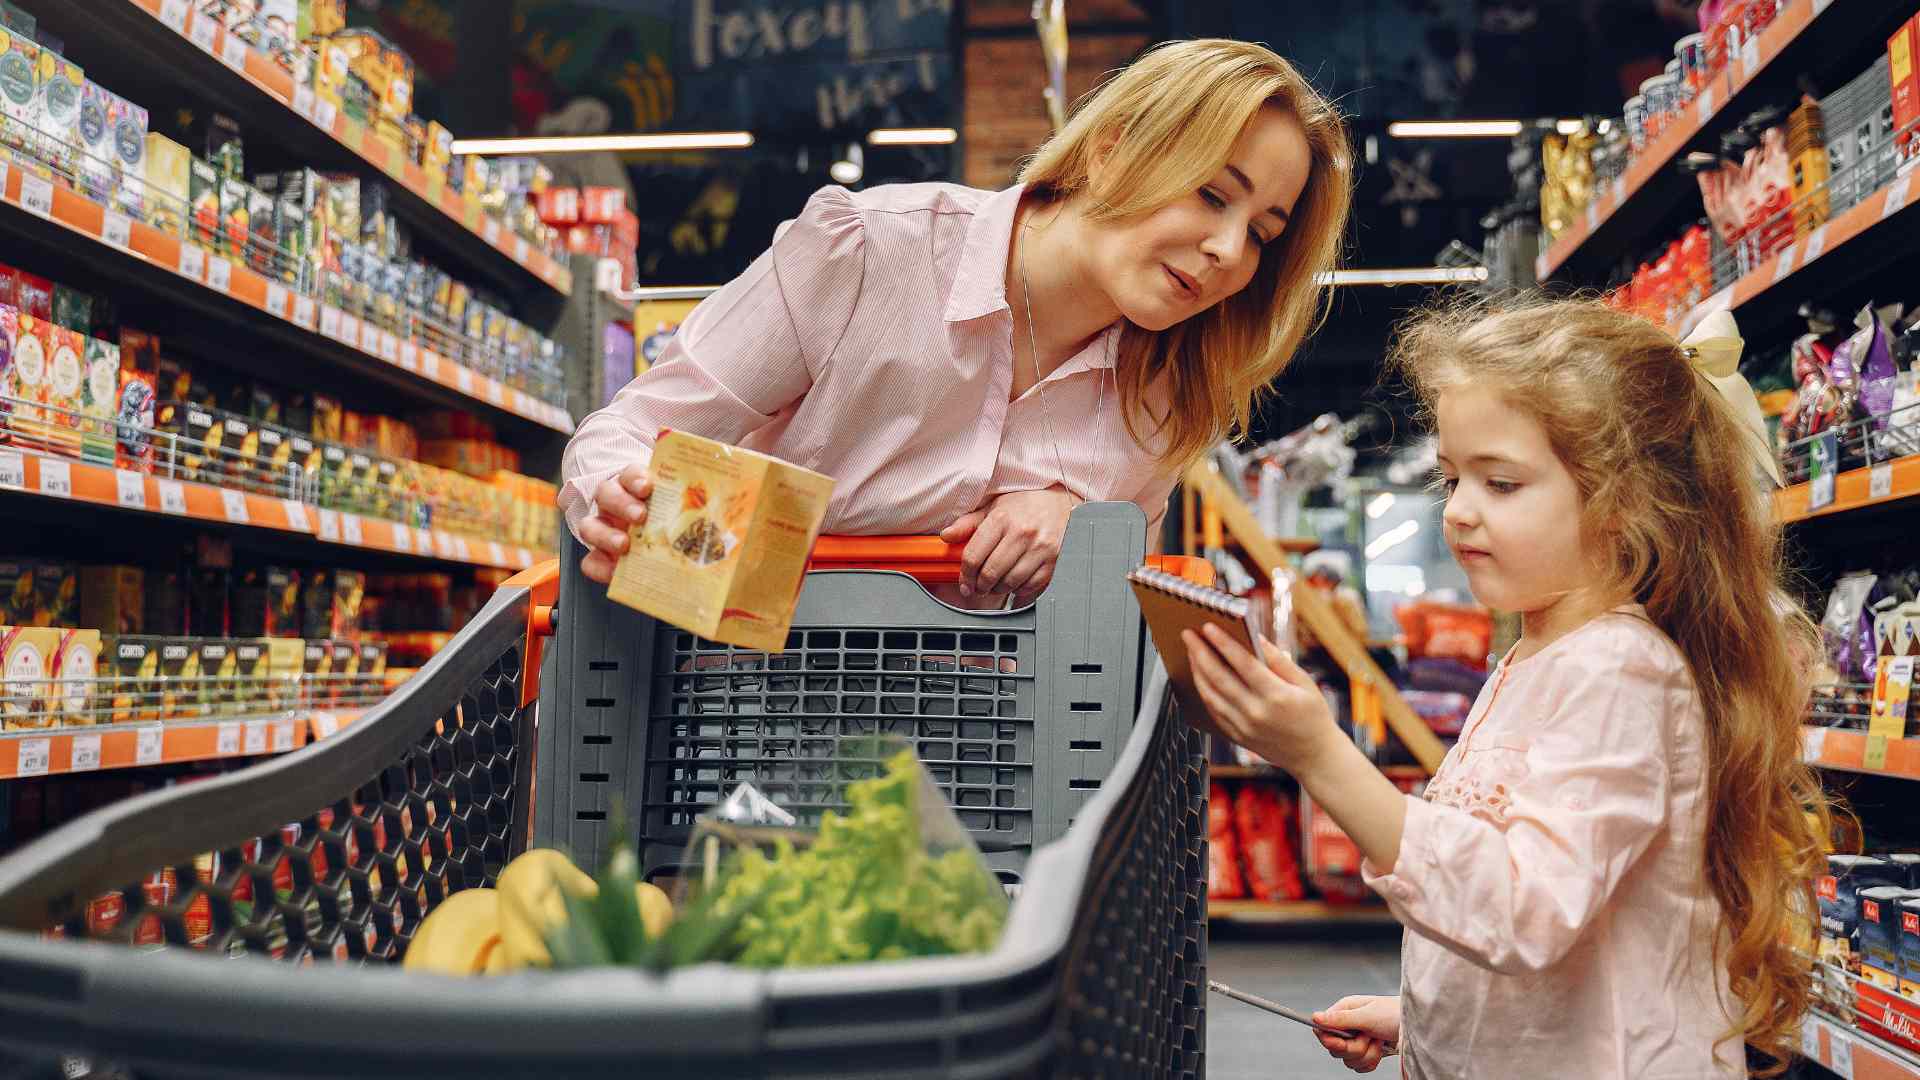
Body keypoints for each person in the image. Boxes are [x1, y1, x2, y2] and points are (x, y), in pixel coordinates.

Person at [1183, 298, 1828, 1077]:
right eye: (1452, 478)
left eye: (1501, 483)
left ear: (1625, 507)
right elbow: (1532, 910)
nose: (1458, 512)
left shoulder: (1622, 672)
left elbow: (1526, 907)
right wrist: (1421, 1018)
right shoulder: (1536, 657)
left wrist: (1322, 756)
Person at [560, 38, 1352, 608]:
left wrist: (1079, 528)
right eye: (1214, 194)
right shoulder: (869, 252)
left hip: (983, 768)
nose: (1226, 249)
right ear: (1111, 154)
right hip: (732, 726)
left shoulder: (1166, 397)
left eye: (1262, 234)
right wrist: (623, 504)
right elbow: (626, 434)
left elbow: (1103, 637)